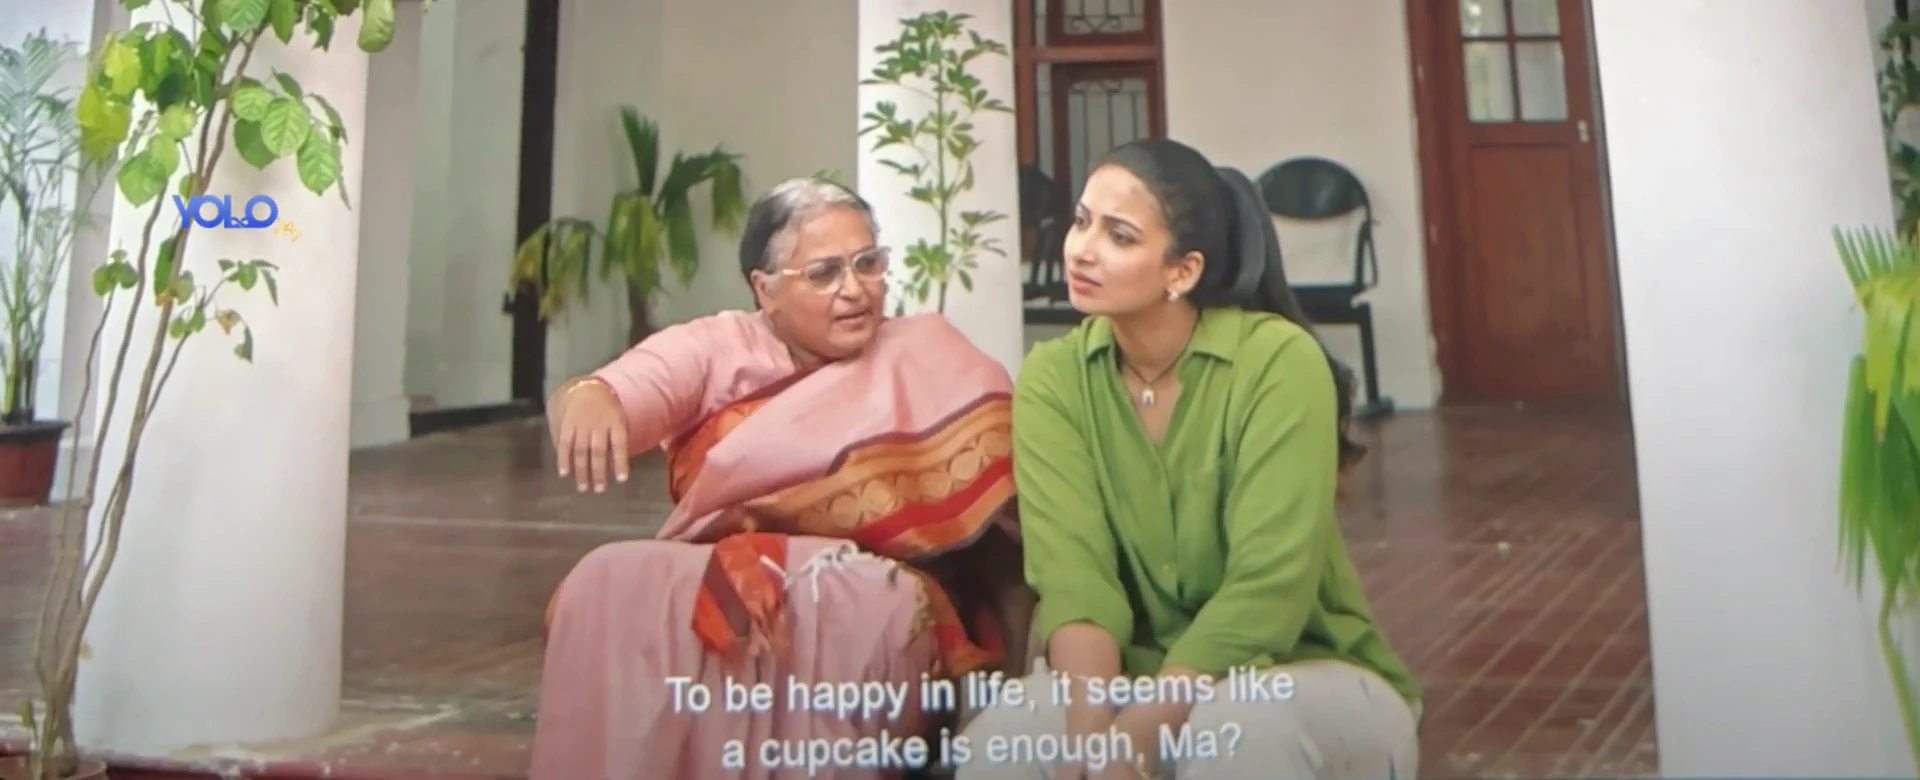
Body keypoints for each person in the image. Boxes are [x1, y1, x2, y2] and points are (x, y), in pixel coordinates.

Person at [531, 178, 1032, 780]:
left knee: (862, 603)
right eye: (824, 273)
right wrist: (586, 398)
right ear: (765, 291)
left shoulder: (927, 354)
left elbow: (1004, 533)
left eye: (867, 264)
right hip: (728, 568)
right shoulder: (718, 348)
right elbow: (607, 392)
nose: (855, 289)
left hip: (883, 583)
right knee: (604, 580)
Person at [956, 139, 1420, 780]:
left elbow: (1267, 589)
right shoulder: (1053, 379)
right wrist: (1089, 744)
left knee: (1237, 730)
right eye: (1081, 221)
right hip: (1129, 676)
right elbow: (1076, 583)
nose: (1082, 249)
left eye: (1119, 235)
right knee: (999, 745)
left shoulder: (1278, 363)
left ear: (1183, 271)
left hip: (1303, 674)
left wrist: (1137, 736)